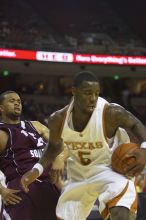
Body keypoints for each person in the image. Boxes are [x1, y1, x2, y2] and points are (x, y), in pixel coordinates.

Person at [21, 71, 146, 220]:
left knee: (121, 212)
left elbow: (136, 124)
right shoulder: (58, 119)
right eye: (87, 93)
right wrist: (36, 170)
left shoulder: (111, 113)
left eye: (96, 93)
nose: (93, 99)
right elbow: (53, 147)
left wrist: (144, 149)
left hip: (111, 170)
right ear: (74, 92)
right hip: (78, 176)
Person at [0, 90, 62, 220]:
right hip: (21, 188)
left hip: (49, 185)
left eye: (19, 101)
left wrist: (59, 158)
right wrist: (2, 190)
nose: (17, 104)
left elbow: (60, 145)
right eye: (12, 101)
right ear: (1, 108)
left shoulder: (36, 125)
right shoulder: (2, 133)